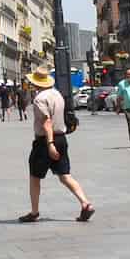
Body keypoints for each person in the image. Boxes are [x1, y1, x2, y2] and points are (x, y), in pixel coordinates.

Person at [21, 68, 93, 222]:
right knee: (65, 175)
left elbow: (47, 122)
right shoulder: (57, 94)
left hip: (45, 141)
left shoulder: (40, 99)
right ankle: (85, 203)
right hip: (61, 138)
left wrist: (50, 144)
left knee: (35, 176)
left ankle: (34, 212)